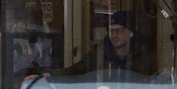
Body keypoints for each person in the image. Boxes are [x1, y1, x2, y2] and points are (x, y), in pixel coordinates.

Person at [26, 11, 155, 82]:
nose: (114, 35)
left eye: (119, 31)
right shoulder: (98, 54)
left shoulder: (143, 54)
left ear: (130, 33)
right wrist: (49, 75)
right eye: (111, 31)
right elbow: (75, 71)